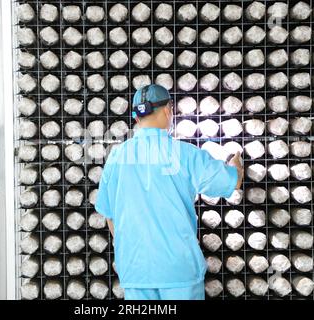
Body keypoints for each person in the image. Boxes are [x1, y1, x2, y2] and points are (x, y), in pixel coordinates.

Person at [95, 84, 243, 300]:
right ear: (168, 110)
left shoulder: (116, 157)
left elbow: (109, 215)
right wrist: (236, 163)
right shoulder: (186, 154)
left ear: (137, 117)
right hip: (178, 270)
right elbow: (232, 183)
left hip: (136, 270)